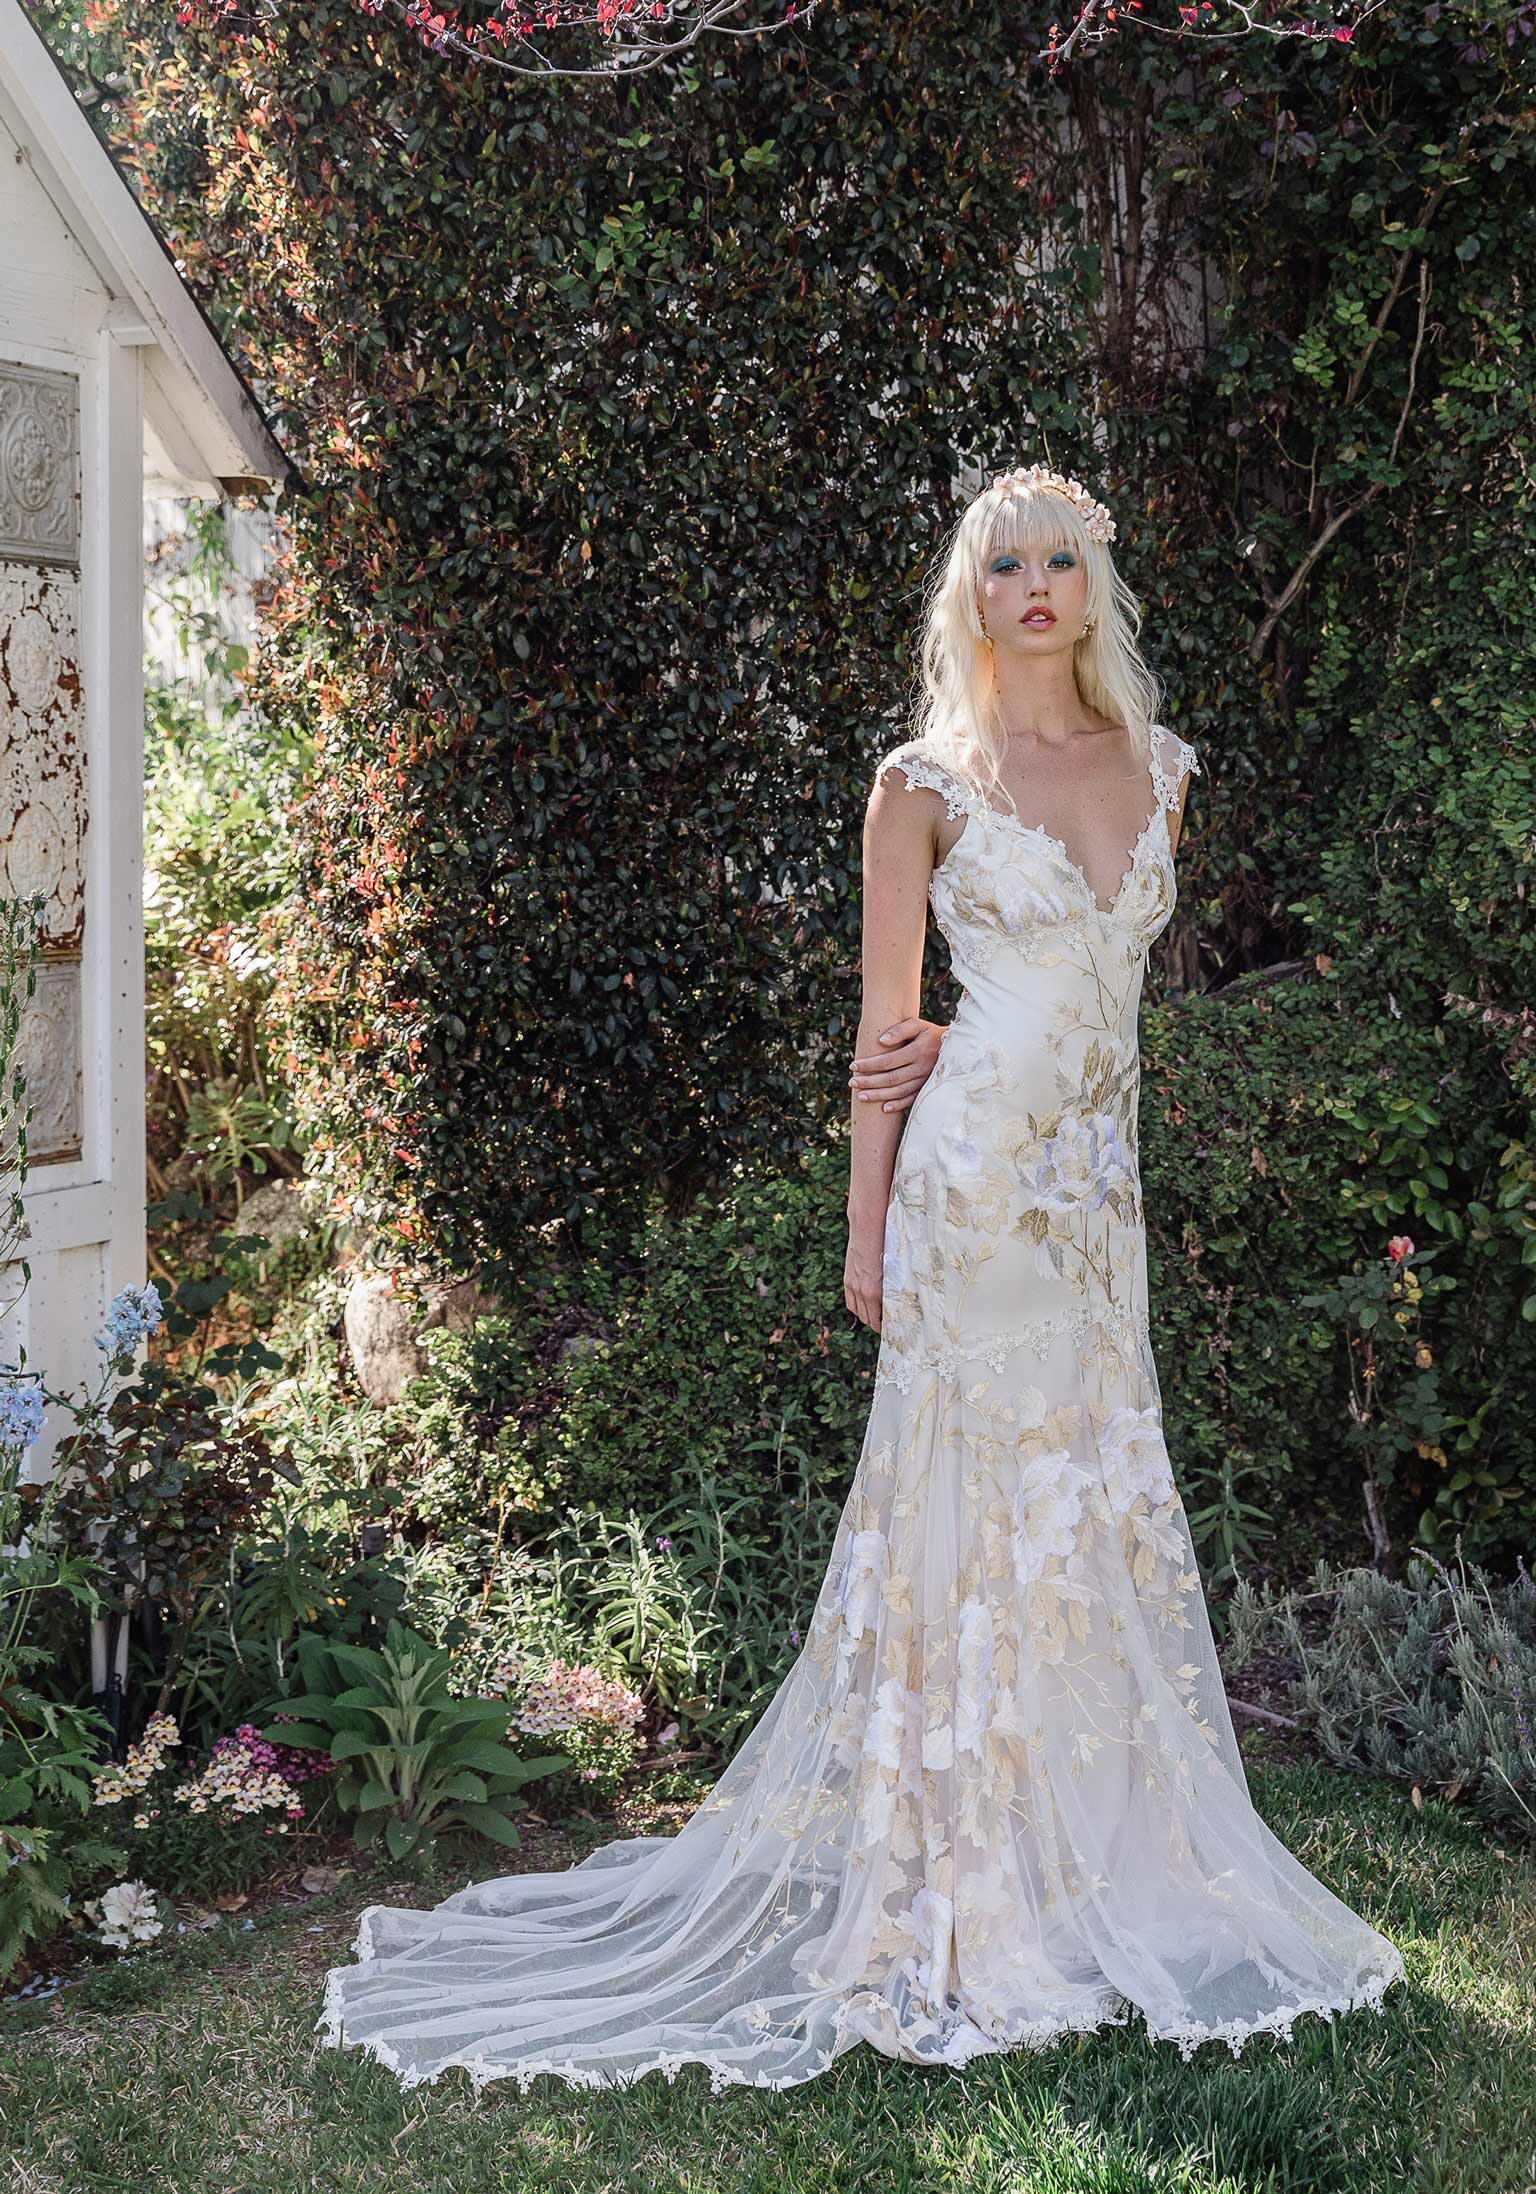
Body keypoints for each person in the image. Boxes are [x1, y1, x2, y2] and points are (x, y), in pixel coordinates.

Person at [317, 462, 1404, 2098]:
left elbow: (1099, 1003)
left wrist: (1056, 1106)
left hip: (1095, 1206)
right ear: (971, 601)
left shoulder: (1160, 765)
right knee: (973, 1518)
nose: (1035, 584)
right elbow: (884, 1048)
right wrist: (862, 1234)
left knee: (1090, 1500)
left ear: (1094, 587)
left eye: (1059, 558)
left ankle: (1085, 1858)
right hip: (970, 1198)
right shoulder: (923, 783)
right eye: (1003, 564)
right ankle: (963, 1891)